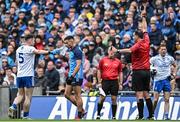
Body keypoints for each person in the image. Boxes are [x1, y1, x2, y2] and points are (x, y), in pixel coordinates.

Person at [114, 17, 153, 120]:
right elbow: (145, 29)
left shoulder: (138, 44)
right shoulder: (147, 40)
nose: (132, 36)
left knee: (139, 94)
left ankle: (140, 116)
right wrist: (144, 17)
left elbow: (130, 51)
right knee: (146, 94)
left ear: (136, 36)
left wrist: (118, 50)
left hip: (138, 71)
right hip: (147, 71)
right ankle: (151, 115)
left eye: (133, 35)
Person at [8, 34, 50, 119]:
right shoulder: (30, 48)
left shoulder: (18, 49)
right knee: (28, 97)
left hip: (19, 75)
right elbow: (38, 52)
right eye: (33, 40)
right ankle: (26, 116)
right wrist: (49, 52)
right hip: (28, 75)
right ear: (29, 40)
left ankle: (13, 106)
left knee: (20, 95)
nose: (34, 42)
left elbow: (16, 63)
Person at [52, 36, 86, 119]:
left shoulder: (77, 51)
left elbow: (78, 65)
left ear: (72, 41)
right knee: (66, 94)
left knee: (78, 95)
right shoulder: (70, 50)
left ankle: (79, 116)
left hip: (76, 75)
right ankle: (82, 110)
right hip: (71, 75)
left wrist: (72, 76)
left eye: (67, 43)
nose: (66, 44)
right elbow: (71, 61)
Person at [150, 44, 176, 120]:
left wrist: (174, 73)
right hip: (158, 80)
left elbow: (175, 65)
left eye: (165, 49)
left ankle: (166, 116)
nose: (163, 51)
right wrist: (151, 70)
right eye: (162, 49)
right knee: (155, 100)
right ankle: (151, 114)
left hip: (166, 80)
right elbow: (149, 65)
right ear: (159, 51)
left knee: (167, 99)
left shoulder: (170, 58)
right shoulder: (154, 59)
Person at [96, 47, 123, 120]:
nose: (111, 53)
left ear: (115, 52)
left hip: (114, 82)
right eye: (110, 51)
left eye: (113, 51)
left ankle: (114, 116)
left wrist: (120, 83)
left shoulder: (118, 62)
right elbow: (99, 71)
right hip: (105, 81)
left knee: (114, 99)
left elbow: (120, 72)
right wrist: (99, 82)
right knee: (102, 98)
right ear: (108, 51)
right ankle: (98, 115)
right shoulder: (103, 60)